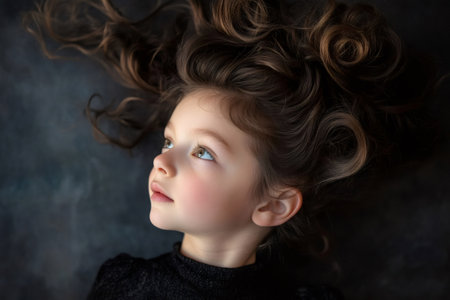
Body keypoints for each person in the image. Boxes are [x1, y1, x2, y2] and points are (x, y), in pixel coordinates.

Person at [24, 0, 440, 298]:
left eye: (202, 152)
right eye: (169, 141)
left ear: (274, 206)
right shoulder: (123, 285)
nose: (161, 161)